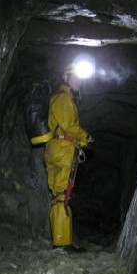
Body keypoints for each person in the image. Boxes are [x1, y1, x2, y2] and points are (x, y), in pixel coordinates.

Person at [44, 64, 91, 249]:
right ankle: (63, 243)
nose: (79, 81)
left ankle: (59, 241)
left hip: (54, 149)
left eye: (81, 78)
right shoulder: (63, 99)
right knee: (63, 195)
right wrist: (86, 137)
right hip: (62, 150)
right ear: (66, 77)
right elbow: (69, 126)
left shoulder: (58, 98)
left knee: (58, 196)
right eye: (76, 77)